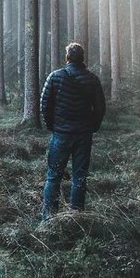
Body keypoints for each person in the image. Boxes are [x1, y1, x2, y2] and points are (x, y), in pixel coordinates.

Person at [40, 42, 106, 220]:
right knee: (80, 177)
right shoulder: (92, 79)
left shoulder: (55, 77)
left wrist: (51, 125)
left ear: (67, 57)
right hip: (83, 135)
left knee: (53, 176)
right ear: (82, 58)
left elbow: (44, 105)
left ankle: (48, 219)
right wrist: (94, 126)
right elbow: (100, 108)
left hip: (60, 134)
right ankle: (76, 217)